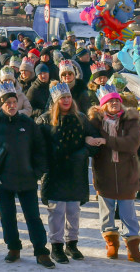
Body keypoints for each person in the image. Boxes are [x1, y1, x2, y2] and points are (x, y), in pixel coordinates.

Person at [0, 82, 53, 268]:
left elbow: (40, 149)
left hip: (27, 179)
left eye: (14, 101)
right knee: (7, 216)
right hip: (3, 180)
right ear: (1, 104)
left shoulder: (27, 123)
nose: (11, 105)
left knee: (33, 217)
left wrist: (37, 171)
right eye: (7, 103)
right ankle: (13, 247)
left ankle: (41, 250)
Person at [88, 83, 140, 264]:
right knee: (106, 212)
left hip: (126, 173)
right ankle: (112, 244)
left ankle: (133, 249)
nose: (115, 103)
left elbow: (131, 144)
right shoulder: (95, 122)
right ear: (103, 105)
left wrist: (105, 140)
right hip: (104, 172)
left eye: (117, 100)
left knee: (128, 212)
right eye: (111, 101)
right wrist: (89, 139)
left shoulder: (131, 120)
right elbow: (87, 137)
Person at [36, 82, 97, 263]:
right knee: (56, 210)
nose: (66, 100)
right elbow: (38, 146)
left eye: (68, 97)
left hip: (75, 171)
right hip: (54, 172)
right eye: (62, 97)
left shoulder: (81, 118)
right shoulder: (45, 120)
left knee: (73, 210)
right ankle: (56, 245)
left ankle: (72, 243)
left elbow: (94, 142)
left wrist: (84, 151)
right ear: (56, 101)